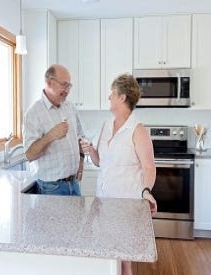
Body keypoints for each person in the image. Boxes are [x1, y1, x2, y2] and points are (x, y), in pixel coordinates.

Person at [80, 73, 157, 275]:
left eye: (112, 94)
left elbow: (149, 167)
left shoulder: (138, 130)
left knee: (124, 259)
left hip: (126, 204)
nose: (109, 98)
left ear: (122, 97)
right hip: (104, 202)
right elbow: (99, 162)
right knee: (108, 253)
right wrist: (91, 150)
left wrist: (146, 191)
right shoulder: (106, 125)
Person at [23, 64, 85, 196]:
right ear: (49, 82)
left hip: (74, 184)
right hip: (51, 188)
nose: (67, 90)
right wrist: (51, 135)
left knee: (77, 218)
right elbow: (29, 155)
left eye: (69, 86)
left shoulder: (70, 107)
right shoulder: (34, 113)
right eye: (64, 84)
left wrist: (81, 160)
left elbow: (80, 138)